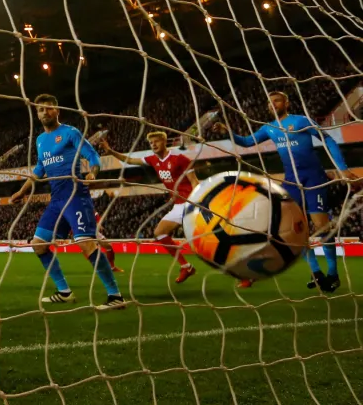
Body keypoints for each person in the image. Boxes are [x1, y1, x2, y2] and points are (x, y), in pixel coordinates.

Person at [214, 91, 358, 292]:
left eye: (277, 100)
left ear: (286, 103)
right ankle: (316, 273)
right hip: (291, 181)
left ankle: (333, 273)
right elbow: (247, 142)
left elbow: (329, 140)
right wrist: (227, 131)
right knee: (297, 230)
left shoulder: (300, 121)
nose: (273, 104)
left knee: (322, 228)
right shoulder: (270, 128)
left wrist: (342, 168)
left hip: (313, 178)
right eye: (269, 102)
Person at [9, 94, 125, 310]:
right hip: (56, 200)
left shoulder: (70, 132)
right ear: (37, 114)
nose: (45, 113)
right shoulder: (40, 140)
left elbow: (92, 156)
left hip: (75, 196)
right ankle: (64, 291)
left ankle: (115, 296)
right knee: (39, 245)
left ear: (57, 111)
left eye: (49, 109)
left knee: (86, 244)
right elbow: (39, 171)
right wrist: (22, 191)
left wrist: (93, 173)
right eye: (41, 110)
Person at [100, 131, 212, 285]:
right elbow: (130, 160)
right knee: (159, 233)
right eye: (151, 143)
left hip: (191, 203)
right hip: (178, 205)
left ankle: (245, 272)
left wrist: (197, 201)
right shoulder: (153, 160)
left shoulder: (180, 159)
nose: (153, 144)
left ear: (164, 142)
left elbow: (194, 181)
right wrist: (111, 151)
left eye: (156, 141)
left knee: (215, 237)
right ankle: (186, 267)